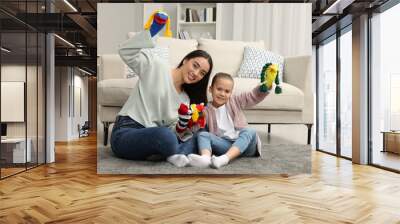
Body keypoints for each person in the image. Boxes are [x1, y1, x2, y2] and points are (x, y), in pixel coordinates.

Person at [110, 11, 213, 167]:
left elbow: (174, 130)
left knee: (198, 135)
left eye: (202, 73)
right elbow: (125, 51)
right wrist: (152, 31)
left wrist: (187, 126)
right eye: (195, 65)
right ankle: (173, 153)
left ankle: (168, 153)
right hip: (126, 132)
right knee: (165, 137)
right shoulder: (156, 65)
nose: (196, 73)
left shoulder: (185, 99)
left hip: (155, 136)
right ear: (186, 60)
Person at [188, 70, 277, 168]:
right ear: (210, 89)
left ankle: (224, 159)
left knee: (250, 131)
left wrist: (265, 86)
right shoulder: (205, 110)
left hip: (247, 145)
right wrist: (195, 118)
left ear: (231, 93)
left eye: (227, 91)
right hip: (226, 145)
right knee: (203, 135)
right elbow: (194, 130)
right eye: (219, 89)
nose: (222, 94)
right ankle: (205, 159)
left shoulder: (235, 101)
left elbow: (252, 96)